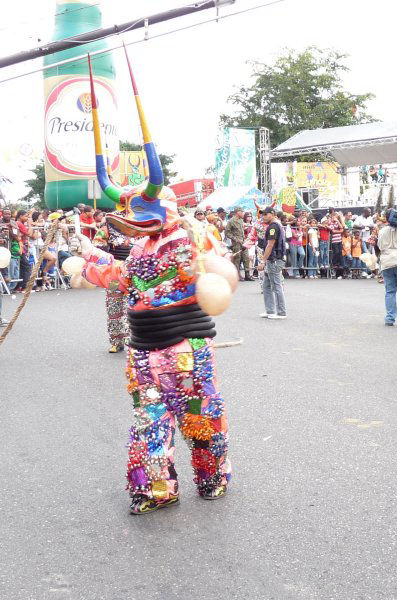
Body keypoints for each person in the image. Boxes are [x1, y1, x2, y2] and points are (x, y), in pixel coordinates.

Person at [74, 53, 232, 514]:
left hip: (187, 347)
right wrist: (84, 263)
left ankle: (212, 477)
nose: (134, 227)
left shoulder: (191, 238)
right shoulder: (140, 249)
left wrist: (206, 253)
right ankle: (156, 488)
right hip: (143, 351)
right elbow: (120, 276)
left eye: (142, 218)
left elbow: (214, 267)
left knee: (200, 418)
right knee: (149, 421)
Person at [93, 216, 131, 353]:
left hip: (132, 274)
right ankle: (116, 341)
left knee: (131, 307)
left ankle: (132, 340)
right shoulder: (106, 229)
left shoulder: (138, 228)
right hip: (114, 275)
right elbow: (97, 249)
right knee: (113, 307)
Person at [259, 208, 287, 319]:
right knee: (266, 286)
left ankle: (281, 312)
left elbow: (270, 245)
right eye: (262, 215)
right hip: (273, 259)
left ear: (272, 214)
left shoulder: (273, 226)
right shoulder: (275, 225)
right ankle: (270, 310)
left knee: (276, 286)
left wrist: (262, 261)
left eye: (266, 214)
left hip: (274, 260)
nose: (264, 216)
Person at [225, 207, 253, 281]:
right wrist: (234, 238)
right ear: (238, 212)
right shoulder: (231, 221)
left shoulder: (241, 220)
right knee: (237, 259)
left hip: (243, 241)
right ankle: (237, 275)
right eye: (242, 212)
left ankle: (247, 274)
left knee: (246, 257)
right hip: (236, 243)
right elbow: (227, 232)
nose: (243, 213)